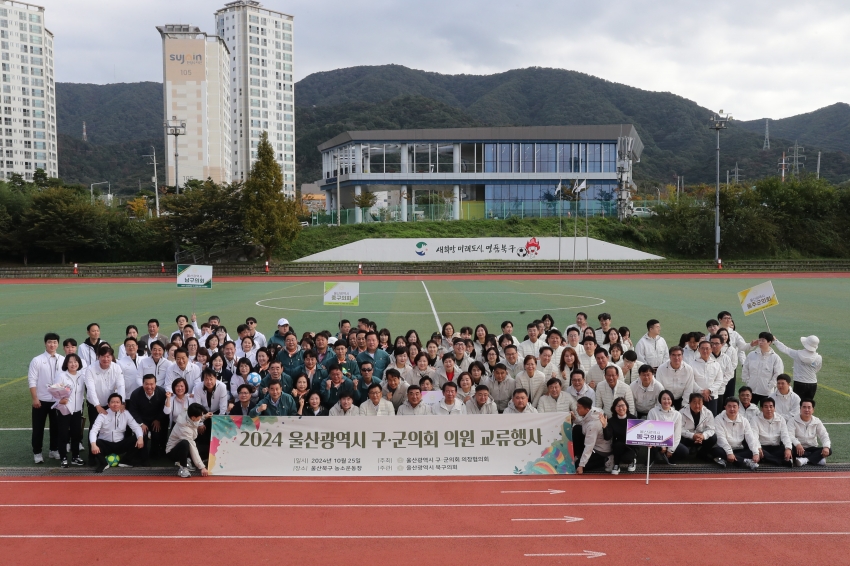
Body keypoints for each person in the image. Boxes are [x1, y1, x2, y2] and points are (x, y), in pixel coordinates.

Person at [28, 332, 64, 463]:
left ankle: (54, 450)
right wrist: (35, 398)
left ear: (58, 344)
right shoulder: (37, 360)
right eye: (49, 342)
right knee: (38, 428)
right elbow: (32, 380)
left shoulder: (62, 359)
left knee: (56, 427)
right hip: (41, 400)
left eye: (54, 342)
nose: (52, 345)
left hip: (56, 401)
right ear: (45, 343)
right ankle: (37, 452)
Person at [89, 393, 145, 473]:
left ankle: (125, 461)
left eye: (118, 402)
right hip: (106, 445)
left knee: (141, 437)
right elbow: (94, 431)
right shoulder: (102, 415)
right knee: (94, 442)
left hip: (120, 444)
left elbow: (136, 427)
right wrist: (93, 445)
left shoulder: (126, 413)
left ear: (121, 404)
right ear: (108, 404)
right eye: (113, 402)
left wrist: (140, 438)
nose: (115, 404)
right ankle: (104, 463)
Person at [126, 374, 168, 465]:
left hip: (156, 419)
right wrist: (141, 423)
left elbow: (164, 409)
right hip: (142, 419)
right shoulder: (135, 394)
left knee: (156, 434)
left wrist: (158, 419)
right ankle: (142, 456)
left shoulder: (162, 392)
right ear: (143, 384)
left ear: (155, 384)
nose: (149, 387)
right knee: (143, 435)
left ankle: (155, 453)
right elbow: (133, 411)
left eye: (152, 384)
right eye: (147, 384)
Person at [55, 353, 86, 467]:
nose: (73, 364)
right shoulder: (61, 376)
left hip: (77, 410)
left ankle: (75, 457)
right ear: (66, 364)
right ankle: (63, 458)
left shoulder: (82, 376)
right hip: (64, 409)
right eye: (70, 362)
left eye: (75, 362)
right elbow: (55, 391)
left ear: (79, 363)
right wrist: (60, 401)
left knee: (76, 434)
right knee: (63, 434)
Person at [714, 397, 761, 470]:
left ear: (738, 408)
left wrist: (756, 453)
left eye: (734, 406)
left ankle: (724, 459)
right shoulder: (718, 419)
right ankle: (745, 461)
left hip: (738, 449)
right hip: (723, 449)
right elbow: (721, 438)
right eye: (729, 406)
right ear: (725, 407)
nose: (732, 409)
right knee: (717, 451)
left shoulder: (744, 420)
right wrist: (729, 453)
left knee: (753, 451)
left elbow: (750, 437)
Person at [165, 403, 210, 478]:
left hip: (186, 447)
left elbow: (195, 420)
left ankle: (187, 461)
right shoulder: (184, 428)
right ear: (193, 417)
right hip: (172, 452)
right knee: (185, 443)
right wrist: (202, 467)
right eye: (200, 416)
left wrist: (205, 416)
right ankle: (183, 468)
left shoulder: (189, 414)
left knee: (207, 449)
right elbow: (192, 446)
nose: (201, 417)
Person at [773, 335, 822, 400]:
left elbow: (785, 349)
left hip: (799, 383)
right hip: (812, 383)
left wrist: (775, 341)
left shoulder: (797, 354)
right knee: (809, 403)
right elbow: (817, 368)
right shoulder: (818, 357)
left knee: (797, 403)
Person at [741, 332, 784, 405]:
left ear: (769, 342)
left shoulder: (775, 358)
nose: (760, 342)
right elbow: (745, 369)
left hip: (766, 392)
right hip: (751, 390)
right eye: (759, 340)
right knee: (749, 409)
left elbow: (778, 374)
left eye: (763, 340)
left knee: (766, 410)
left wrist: (769, 386)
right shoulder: (751, 355)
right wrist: (748, 382)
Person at [647, 390, 688, 465]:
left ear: (672, 400)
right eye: (664, 399)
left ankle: (669, 458)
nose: (666, 401)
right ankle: (653, 458)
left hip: (670, 442)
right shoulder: (653, 412)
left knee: (684, 451)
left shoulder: (677, 414)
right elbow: (650, 431)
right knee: (652, 446)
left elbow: (677, 434)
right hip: (656, 440)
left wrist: (671, 450)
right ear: (660, 400)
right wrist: (662, 445)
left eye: (669, 399)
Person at [574, 397, 612, 474]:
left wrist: (581, 465)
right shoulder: (592, 411)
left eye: (579, 407)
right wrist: (574, 418)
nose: (576, 409)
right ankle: (578, 456)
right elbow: (584, 423)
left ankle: (606, 460)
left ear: (587, 409)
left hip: (601, 450)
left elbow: (589, 446)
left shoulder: (593, 425)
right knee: (577, 428)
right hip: (594, 443)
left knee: (576, 466)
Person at [788, 399, 831, 466]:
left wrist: (826, 447)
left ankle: (805, 460)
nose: (806, 410)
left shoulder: (817, 421)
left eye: (809, 407)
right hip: (798, 448)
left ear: (813, 410)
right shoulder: (792, 420)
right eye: (804, 407)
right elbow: (790, 435)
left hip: (812, 448)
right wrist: (797, 444)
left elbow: (824, 435)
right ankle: (817, 459)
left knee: (829, 450)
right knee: (789, 450)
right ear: (800, 409)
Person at [752, 398, 793, 467]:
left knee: (791, 448)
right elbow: (754, 436)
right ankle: (780, 461)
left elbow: (785, 435)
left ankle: (767, 459)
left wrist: (788, 448)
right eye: (766, 407)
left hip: (776, 447)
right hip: (762, 447)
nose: (769, 409)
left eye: (771, 406)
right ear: (761, 409)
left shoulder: (780, 419)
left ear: (774, 408)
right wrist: (758, 447)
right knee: (752, 450)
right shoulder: (755, 419)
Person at [679, 393, 718, 462]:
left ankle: (701, 454)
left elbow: (711, 429)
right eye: (694, 402)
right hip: (686, 437)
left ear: (703, 403)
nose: (697, 406)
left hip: (700, 438)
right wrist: (692, 435)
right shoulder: (682, 412)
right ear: (689, 402)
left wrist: (703, 436)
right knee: (678, 436)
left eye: (699, 403)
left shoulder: (708, 413)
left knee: (713, 438)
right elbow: (679, 429)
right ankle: (683, 454)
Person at [690, 340, 725, 415]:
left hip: (712, 396)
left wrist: (709, 391)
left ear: (711, 349)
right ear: (698, 349)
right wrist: (702, 392)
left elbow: (719, 380)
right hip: (696, 396)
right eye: (702, 348)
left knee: (711, 418)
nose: (705, 351)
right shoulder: (692, 364)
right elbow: (691, 380)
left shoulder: (716, 364)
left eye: (707, 348)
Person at [607, 397, 637, 474]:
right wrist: (604, 427)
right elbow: (607, 437)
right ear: (614, 408)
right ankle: (616, 465)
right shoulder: (612, 420)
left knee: (627, 459)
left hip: (631, 446)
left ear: (626, 406)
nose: (621, 408)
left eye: (623, 405)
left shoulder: (633, 418)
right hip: (618, 445)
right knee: (617, 445)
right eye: (618, 406)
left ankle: (632, 460)